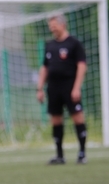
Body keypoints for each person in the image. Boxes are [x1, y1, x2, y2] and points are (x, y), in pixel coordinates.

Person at [36, 13, 88, 164]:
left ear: (63, 24)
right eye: (50, 26)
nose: (52, 29)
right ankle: (60, 155)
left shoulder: (74, 43)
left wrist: (77, 87)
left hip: (70, 86)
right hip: (53, 87)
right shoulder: (49, 45)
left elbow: (82, 65)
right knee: (56, 120)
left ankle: (82, 153)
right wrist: (39, 88)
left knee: (77, 117)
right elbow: (45, 67)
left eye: (54, 26)